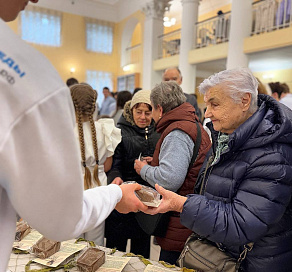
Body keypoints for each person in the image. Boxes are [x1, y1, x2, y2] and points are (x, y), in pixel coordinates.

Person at [0, 1, 146, 270]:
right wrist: (114, 194)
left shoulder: (67, 126)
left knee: (69, 247)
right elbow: (61, 216)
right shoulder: (27, 73)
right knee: (94, 243)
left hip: (75, 189)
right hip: (91, 191)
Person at [144, 68, 292, 272]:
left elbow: (241, 223)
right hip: (224, 255)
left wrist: (182, 205)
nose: (207, 113)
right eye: (206, 105)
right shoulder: (226, 136)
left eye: (215, 104)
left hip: (252, 262)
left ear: (245, 101)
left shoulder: (272, 155)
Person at [134, 81, 211, 264]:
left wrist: (143, 169)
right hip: (189, 216)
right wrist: (158, 162)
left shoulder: (177, 132)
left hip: (179, 221)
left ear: (159, 109)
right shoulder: (190, 123)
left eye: (151, 109)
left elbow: (169, 180)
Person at [105, 90, 160, 258]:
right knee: (116, 249)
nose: (143, 117)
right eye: (139, 112)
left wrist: (153, 164)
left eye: (147, 112)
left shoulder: (157, 132)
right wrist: (116, 177)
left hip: (146, 198)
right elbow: (115, 165)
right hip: (124, 195)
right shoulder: (120, 131)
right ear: (131, 111)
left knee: (141, 251)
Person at [70, 83, 122, 245]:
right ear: (94, 105)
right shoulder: (105, 129)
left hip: (72, 191)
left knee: (71, 243)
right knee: (95, 243)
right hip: (99, 188)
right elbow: (107, 166)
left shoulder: (64, 132)